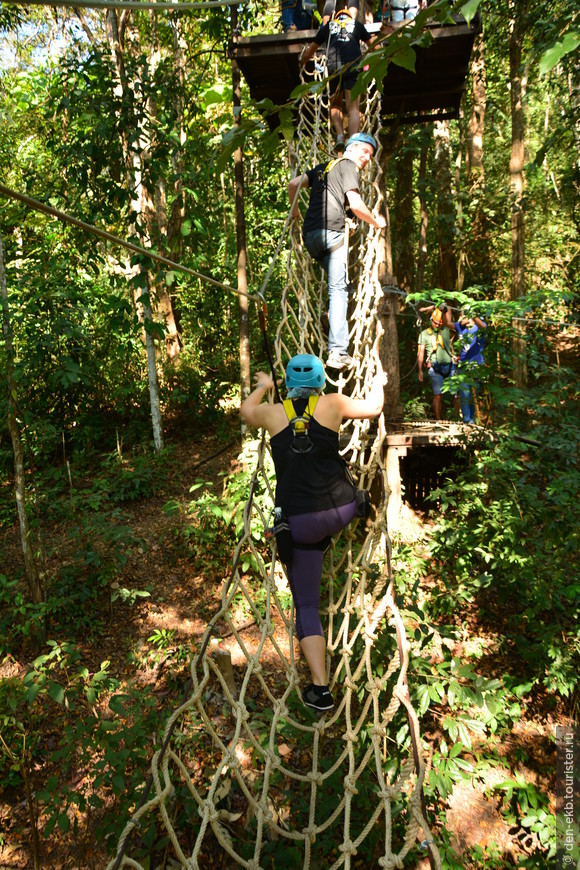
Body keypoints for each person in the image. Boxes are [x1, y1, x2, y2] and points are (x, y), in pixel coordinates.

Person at [240, 350, 386, 712]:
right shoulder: (335, 403)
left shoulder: (273, 414)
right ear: (321, 382)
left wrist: (263, 386)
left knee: (306, 604)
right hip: (340, 509)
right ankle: (357, 508)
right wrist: (380, 378)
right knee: (348, 496)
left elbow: (246, 411)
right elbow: (375, 407)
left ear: (289, 384)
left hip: (301, 524)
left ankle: (321, 689)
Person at [287, 132, 386, 371]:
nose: (366, 158)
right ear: (351, 148)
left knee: (340, 285)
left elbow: (293, 184)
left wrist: (294, 212)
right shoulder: (348, 165)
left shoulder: (323, 168)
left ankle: (332, 316)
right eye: (364, 151)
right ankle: (338, 352)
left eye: (370, 156)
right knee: (339, 290)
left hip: (312, 239)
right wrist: (376, 222)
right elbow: (355, 203)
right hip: (332, 235)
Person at [299, 0, 373, 150]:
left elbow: (311, 49)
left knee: (335, 104)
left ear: (336, 17)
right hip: (353, 65)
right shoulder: (357, 25)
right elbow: (373, 44)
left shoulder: (328, 27)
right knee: (353, 108)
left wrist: (302, 60)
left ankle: (339, 135)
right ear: (349, 16)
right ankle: (353, 140)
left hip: (334, 68)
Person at [417, 304, 456, 421]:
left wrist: (433, 306)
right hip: (434, 367)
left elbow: (447, 307)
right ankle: (438, 420)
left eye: (439, 323)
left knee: (456, 394)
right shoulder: (424, 334)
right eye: (435, 322)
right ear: (431, 320)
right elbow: (421, 352)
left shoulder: (445, 330)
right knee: (437, 395)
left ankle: (456, 418)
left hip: (449, 366)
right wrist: (420, 370)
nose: (438, 325)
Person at [453, 310, 487, 424]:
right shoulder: (460, 327)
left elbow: (483, 327)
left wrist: (473, 314)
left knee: (473, 393)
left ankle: (472, 418)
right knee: (464, 392)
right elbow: (447, 323)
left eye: (463, 315)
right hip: (463, 365)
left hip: (476, 365)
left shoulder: (478, 327)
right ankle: (467, 419)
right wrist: (443, 310)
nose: (461, 317)